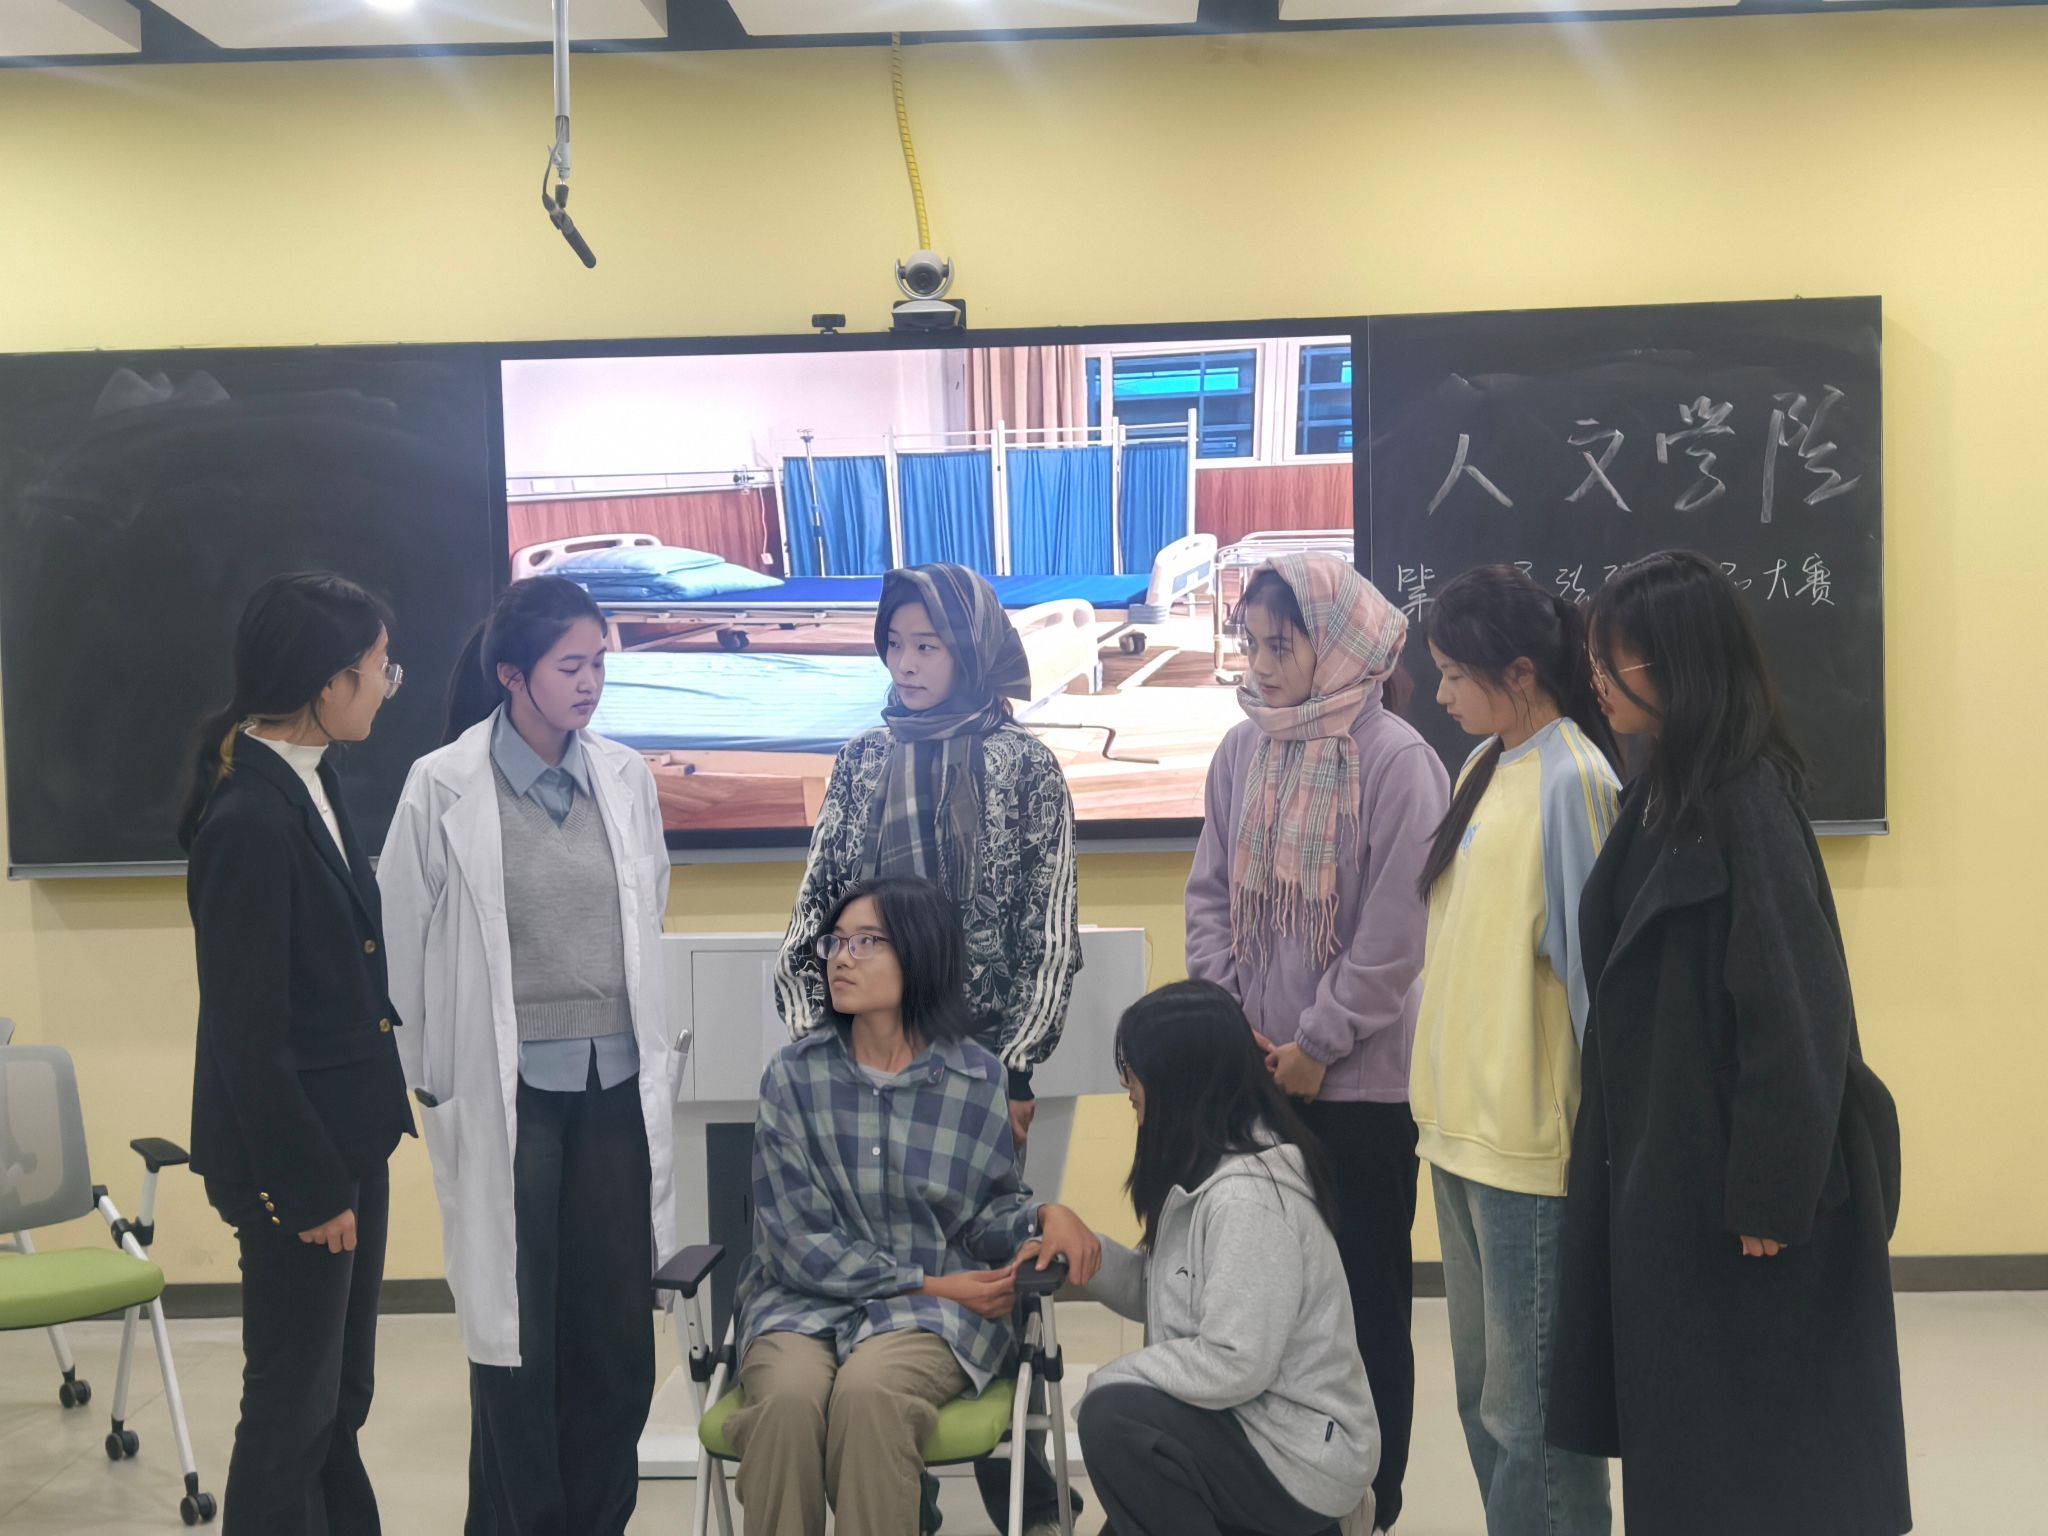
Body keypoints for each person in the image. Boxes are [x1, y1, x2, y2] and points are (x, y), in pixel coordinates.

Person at [1546, 551, 1909, 1536]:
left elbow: (1796, 1013)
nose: (1596, 678)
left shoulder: (1745, 800)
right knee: (1692, 1437)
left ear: (1679, 665)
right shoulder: (1664, 789)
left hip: (1730, 1194)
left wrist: (1769, 1189)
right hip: (1672, 1170)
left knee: (1748, 1455)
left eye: (1615, 659)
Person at [771, 562, 1083, 1532]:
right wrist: (824, 1052)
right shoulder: (863, 760)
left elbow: (1049, 927)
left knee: (985, 1257)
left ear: (972, 650)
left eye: (928, 646)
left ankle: (1026, 1494)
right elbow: (817, 908)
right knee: (873, 1260)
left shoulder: (1024, 767)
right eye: (894, 646)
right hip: (863, 1053)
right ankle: (904, 1504)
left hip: (976, 1069)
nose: (906, 665)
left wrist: (1015, 1065)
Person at [377, 576, 680, 1536]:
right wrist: (435, 1078)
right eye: (570, 665)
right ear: (512, 675)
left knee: (613, 1332)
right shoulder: (442, 785)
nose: (591, 683)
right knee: (520, 1336)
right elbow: (402, 947)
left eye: (599, 664)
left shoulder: (625, 776)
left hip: (615, 1087)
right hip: (506, 1091)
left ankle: (596, 1519)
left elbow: (648, 907)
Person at [1183, 552, 1448, 1532]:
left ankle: (1372, 1501)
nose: (1260, 665)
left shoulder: (1397, 762)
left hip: (1359, 1093)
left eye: (1280, 645)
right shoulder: (1239, 752)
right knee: (1262, 1303)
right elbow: (1207, 899)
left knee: (1364, 1307)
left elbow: (1394, 938)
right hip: (1253, 1084)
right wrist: (1232, 1026)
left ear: (1336, 644)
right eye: (1250, 644)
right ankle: (1279, 1496)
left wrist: (1315, 1045)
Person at [730, 876, 1100, 1536]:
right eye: (835, 942)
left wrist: (1042, 1217)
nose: (841, 959)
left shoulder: (976, 1077)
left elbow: (986, 1216)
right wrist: (928, 1281)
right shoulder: (792, 1077)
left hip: (931, 1319)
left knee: (870, 1395)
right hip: (801, 1304)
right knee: (787, 1402)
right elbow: (794, 1241)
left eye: (865, 942)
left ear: (920, 952)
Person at [181, 572, 411, 1535]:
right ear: (327, 683)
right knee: (291, 1407)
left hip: (347, 1140)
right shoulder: (248, 821)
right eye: (378, 668)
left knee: (338, 1401)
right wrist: (311, 1187)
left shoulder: (315, 780)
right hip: (297, 1163)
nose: (388, 685)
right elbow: (247, 1036)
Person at [1406, 565, 1619, 1536]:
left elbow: (1595, 987)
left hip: (1528, 1147)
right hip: (1456, 1133)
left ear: (1521, 672)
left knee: (1532, 1421)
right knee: (1481, 1402)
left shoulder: (1577, 779)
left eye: (1456, 674)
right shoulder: (1483, 766)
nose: (1441, 693)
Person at [1074, 979, 1379, 1536]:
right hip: (1249, 1429)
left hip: (1299, 1459)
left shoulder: (1248, 1200)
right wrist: (1085, 1255)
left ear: (1180, 1079)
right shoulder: (1210, 1167)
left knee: (1116, 1421)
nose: (1125, 1083)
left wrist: (1112, 1380)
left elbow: (1235, 1361)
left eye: (1134, 1068)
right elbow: (1174, 1295)